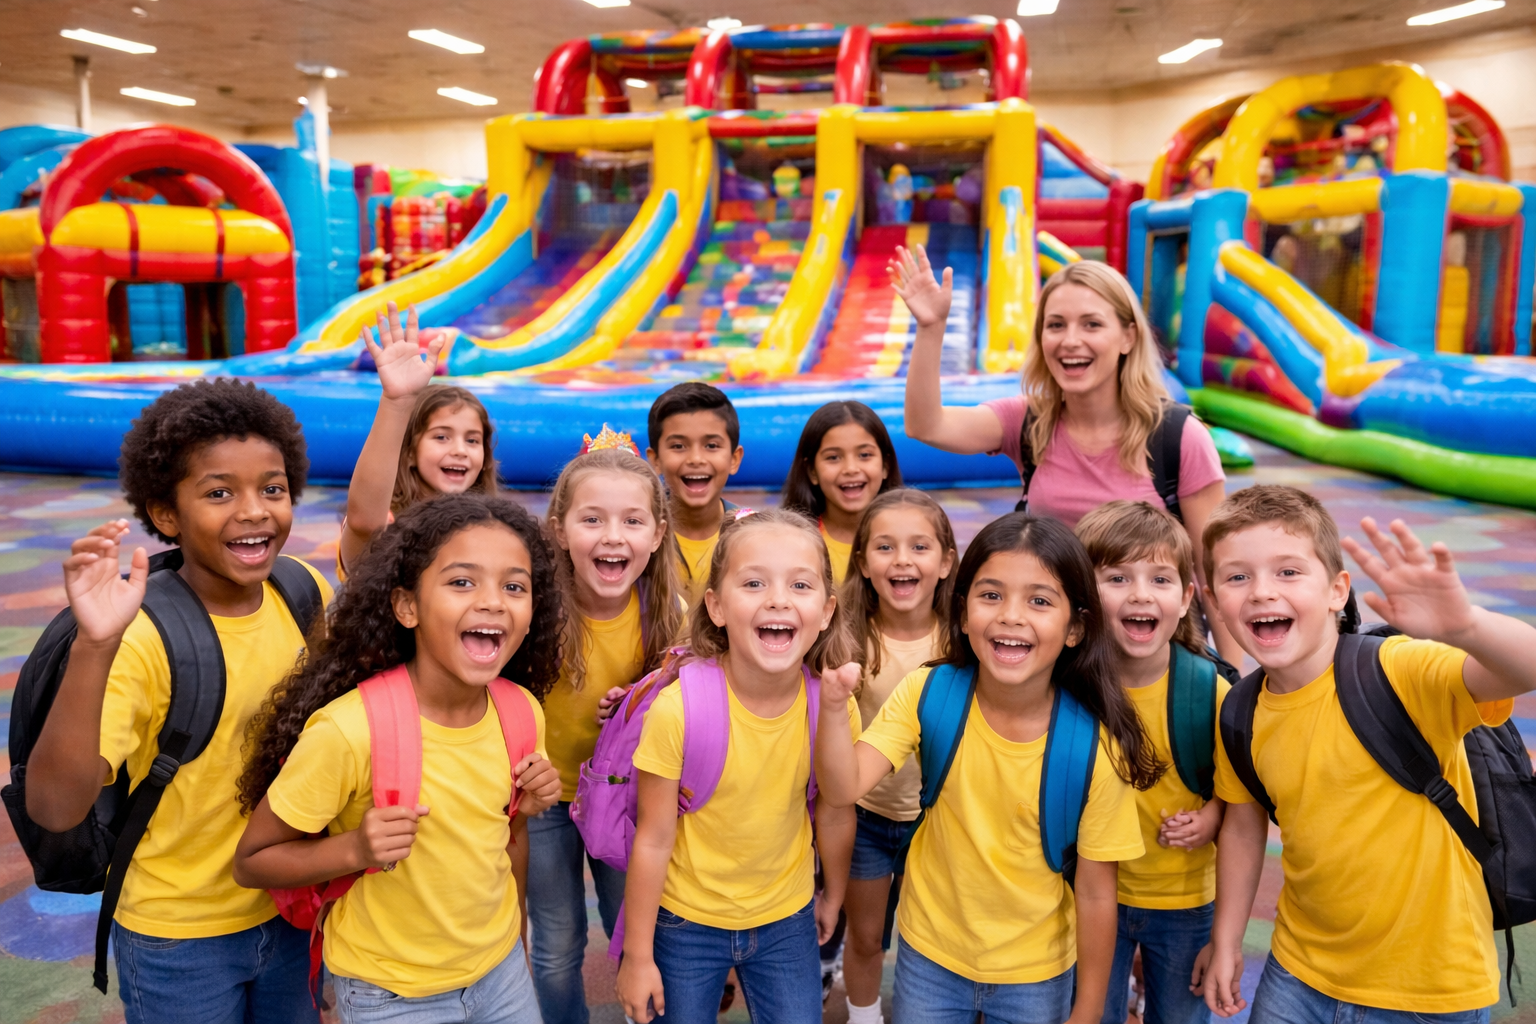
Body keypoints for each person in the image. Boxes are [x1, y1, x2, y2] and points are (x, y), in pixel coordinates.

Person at [23, 379, 330, 1024]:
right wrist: (93, 647)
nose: (254, 510)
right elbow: (53, 807)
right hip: (178, 931)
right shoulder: (139, 639)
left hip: (291, 903)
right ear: (166, 515)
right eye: (219, 492)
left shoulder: (302, 592)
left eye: (272, 489)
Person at [1197, 485, 1536, 1024]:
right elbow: (1242, 824)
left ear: (1337, 591)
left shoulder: (1398, 670)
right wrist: (1227, 939)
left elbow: (1526, 668)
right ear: (1213, 601)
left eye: (1288, 572)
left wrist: (1466, 627)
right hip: (1298, 971)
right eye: (1238, 577)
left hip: (1429, 989)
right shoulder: (1240, 710)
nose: (1261, 591)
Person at [815, 512, 1158, 1024]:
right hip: (931, 953)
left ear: (1075, 628)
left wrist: (1088, 1009)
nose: (1011, 616)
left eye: (1039, 601)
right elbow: (843, 787)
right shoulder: (928, 692)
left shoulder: (1093, 746)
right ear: (961, 612)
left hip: (1035, 969)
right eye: (991, 595)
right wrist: (832, 707)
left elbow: (1094, 890)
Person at [234, 495, 564, 1024]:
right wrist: (355, 847)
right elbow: (252, 861)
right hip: (390, 994)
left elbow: (508, 838)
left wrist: (516, 944)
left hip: (500, 974)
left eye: (514, 586)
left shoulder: (521, 712)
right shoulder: (348, 730)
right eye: (462, 581)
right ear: (406, 606)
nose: (493, 602)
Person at [894, 250, 1238, 662]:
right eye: (1056, 325)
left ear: (1128, 336)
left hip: (1145, 652)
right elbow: (926, 425)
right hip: (1058, 653)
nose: (1071, 340)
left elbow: (1212, 568)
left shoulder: (1178, 437)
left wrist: (1233, 675)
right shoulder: (1027, 420)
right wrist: (930, 328)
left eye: (1091, 324)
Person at [616, 507, 860, 1024]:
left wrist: (832, 893)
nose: (777, 599)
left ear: (827, 610)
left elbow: (836, 810)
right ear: (717, 606)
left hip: (786, 919)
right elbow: (654, 838)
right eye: (753, 583)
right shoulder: (678, 708)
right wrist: (638, 958)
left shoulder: (833, 706)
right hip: (685, 923)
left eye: (800, 585)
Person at [535, 438, 686, 1024]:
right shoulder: (534, 611)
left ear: (658, 532)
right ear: (558, 528)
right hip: (545, 798)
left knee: (635, 928)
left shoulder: (666, 609)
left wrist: (637, 707)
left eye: (632, 520)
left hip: (624, 798)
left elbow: (682, 703)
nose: (612, 537)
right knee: (556, 943)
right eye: (591, 519)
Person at [1076, 500, 1227, 1024]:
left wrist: (1211, 816)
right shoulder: (1065, 690)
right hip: (1088, 893)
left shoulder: (1212, 695)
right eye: (1117, 577)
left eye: (1160, 579)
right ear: (1084, 597)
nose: (1141, 593)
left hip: (1185, 900)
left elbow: (1245, 798)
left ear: (1186, 599)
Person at [839, 489, 957, 1024]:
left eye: (919, 546)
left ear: (946, 561)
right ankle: (864, 1015)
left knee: (931, 934)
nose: (903, 560)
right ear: (863, 562)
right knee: (865, 937)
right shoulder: (848, 638)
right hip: (866, 817)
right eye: (885, 547)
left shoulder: (963, 639)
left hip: (937, 818)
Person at [339, 301, 498, 574]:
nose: (460, 450)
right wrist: (396, 402)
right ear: (410, 451)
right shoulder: (386, 523)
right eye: (441, 437)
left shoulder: (494, 528)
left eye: (472, 441)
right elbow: (364, 522)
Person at [645, 382, 746, 606]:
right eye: (678, 446)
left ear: (734, 459)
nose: (696, 459)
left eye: (711, 445)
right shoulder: (638, 535)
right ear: (655, 460)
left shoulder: (754, 534)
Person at [781, 401, 903, 585]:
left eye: (864, 455)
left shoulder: (908, 541)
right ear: (812, 471)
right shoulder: (792, 543)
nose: (851, 468)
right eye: (833, 458)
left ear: (885, 465)